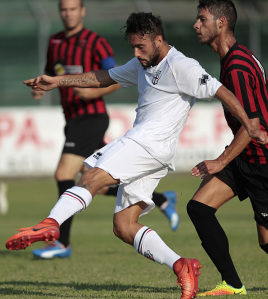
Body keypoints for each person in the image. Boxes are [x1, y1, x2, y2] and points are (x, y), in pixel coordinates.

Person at [6, 12, 267, 299]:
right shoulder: (142, 62)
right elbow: (103, 77)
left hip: (146, 144)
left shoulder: (182, 66)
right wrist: (58, 81)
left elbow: (221, 90)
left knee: (90, 175)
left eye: (140, 47)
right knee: (124, 226)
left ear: (158, 40)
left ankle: (51, 224)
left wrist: (249, 123)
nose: (136, 53)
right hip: (155, 152)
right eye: (132, 47)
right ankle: (182, 266)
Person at [32, 0, 180, 260]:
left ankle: (60, 241)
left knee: (63, 173)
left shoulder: (94, 41)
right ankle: (162, 199)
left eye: (72, 9)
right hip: (72, 120)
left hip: (91, 118)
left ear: (82, 11)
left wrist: (91, 93)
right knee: (92, 180)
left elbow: (114, 77)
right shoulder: (54, 41)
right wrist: (43, 86)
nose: (67, 14)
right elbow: (50, 73)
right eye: (63, 9)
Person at [186, 0, 268, 296]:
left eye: (202, 19)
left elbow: (250, 124)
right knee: (199, 208)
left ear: (221, 23)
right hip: (247, 156)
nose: (196, 25)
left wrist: (220, 161)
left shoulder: (237, 67)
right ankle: (232, 283)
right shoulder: (242, 57)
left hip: (266, 163)